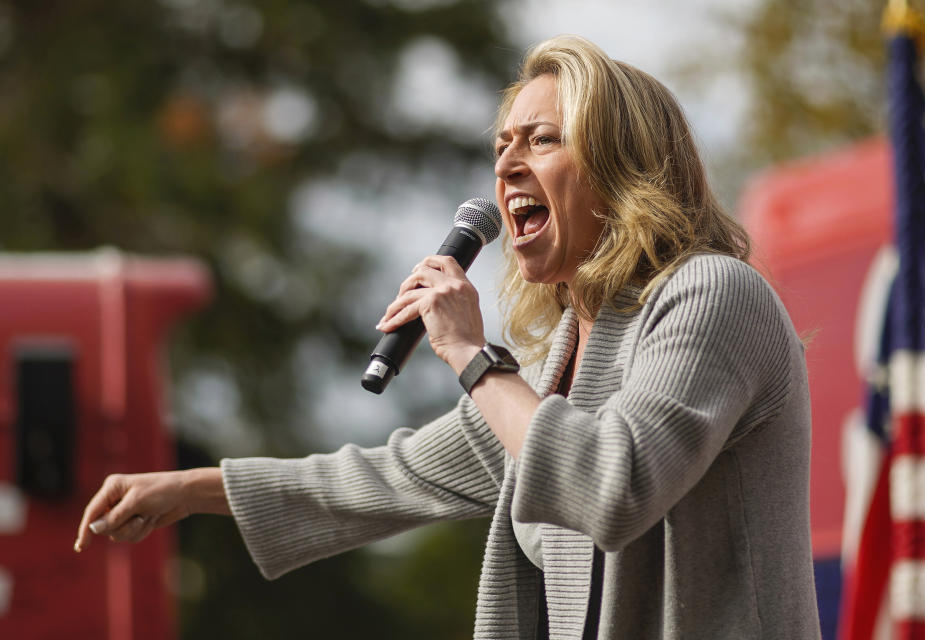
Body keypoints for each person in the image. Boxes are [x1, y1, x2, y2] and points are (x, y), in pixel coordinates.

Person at [75, 35, 821, 638]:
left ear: (621, 171)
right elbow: (383, 479)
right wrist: (188, 491)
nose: (507, 163)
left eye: (543, 139)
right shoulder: (555, 361)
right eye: (502, 145)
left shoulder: (713, 293)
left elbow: (614, 487)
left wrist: (471, 356)